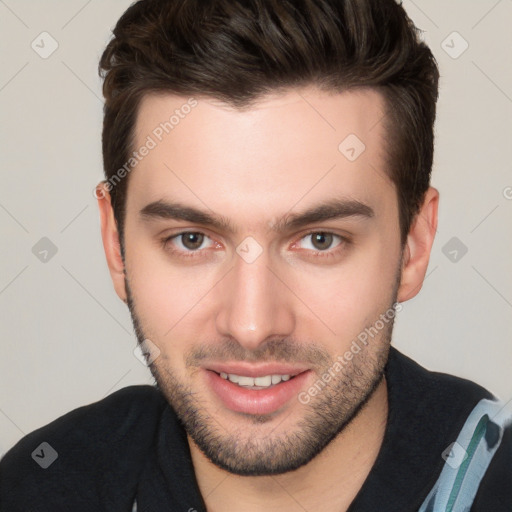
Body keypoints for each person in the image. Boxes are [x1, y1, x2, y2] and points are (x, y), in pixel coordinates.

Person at [1, 0, 510, 510]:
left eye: (320, 240)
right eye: (192, 239)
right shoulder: (39, 486)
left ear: (414, 246)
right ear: (116, 245)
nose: (251, 325)